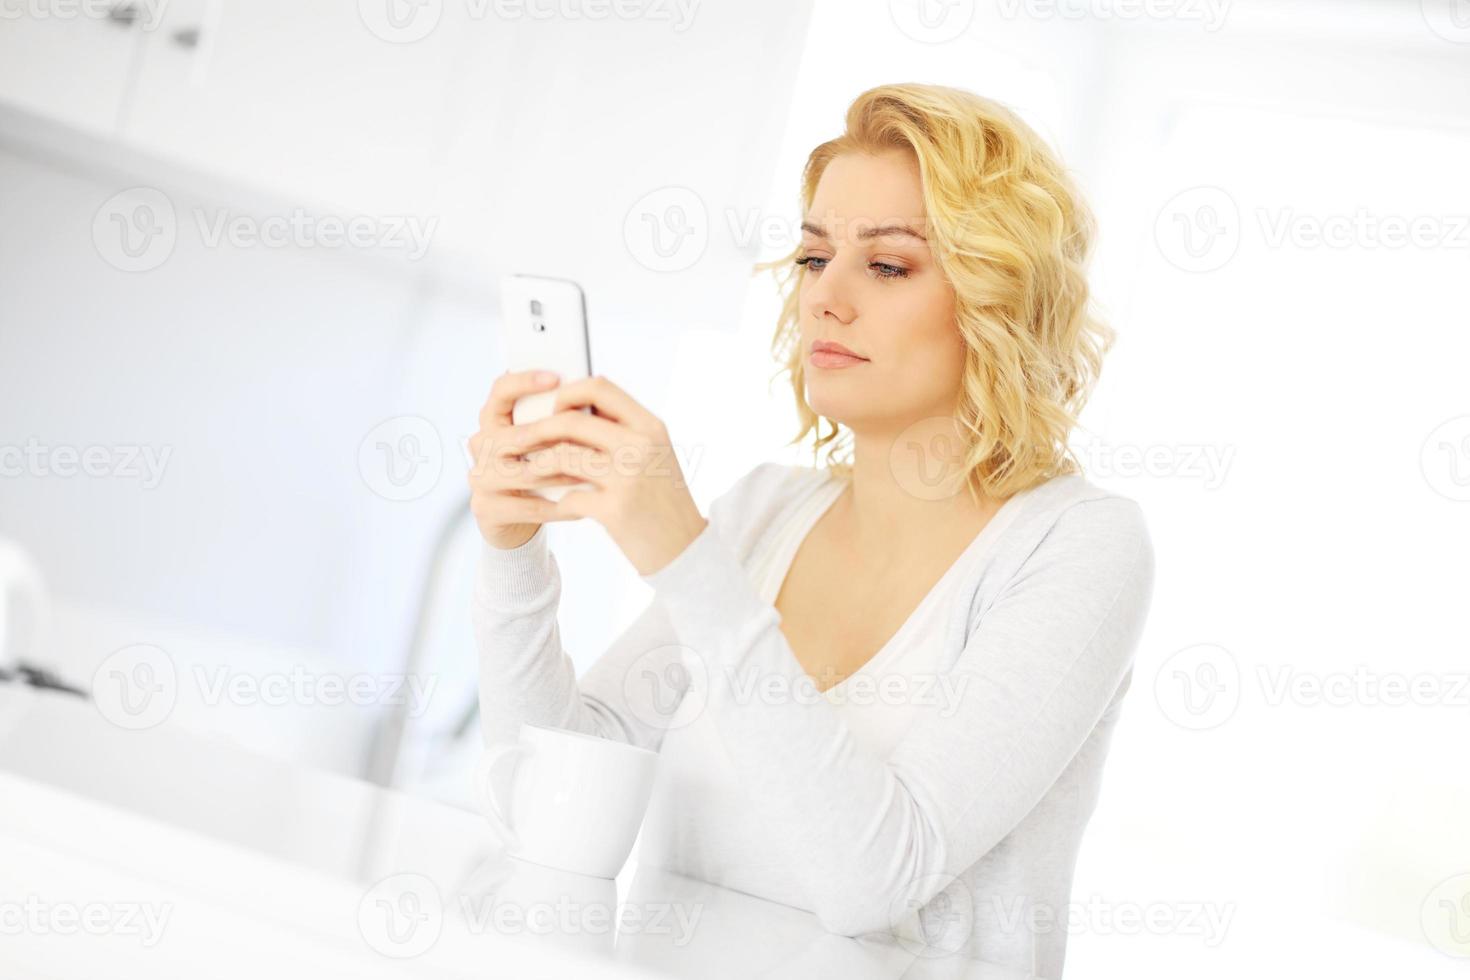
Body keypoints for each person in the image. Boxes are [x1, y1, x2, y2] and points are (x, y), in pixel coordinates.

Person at [466, 82, 1155, 977]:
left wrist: (683, 552)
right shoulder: (765, 512)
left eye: (890, 265)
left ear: (1002, 302)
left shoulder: (1078, 549)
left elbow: (874, 879)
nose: (824, 297)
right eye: (813, 256)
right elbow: (542, 808)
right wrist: (512, 555)